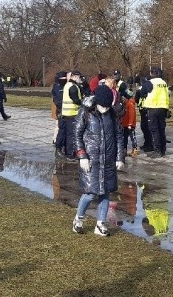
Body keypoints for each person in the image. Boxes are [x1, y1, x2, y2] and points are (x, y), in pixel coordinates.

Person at [71, 85, 125, 236]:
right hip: (91, 160)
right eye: (102, 106)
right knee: (90, 193)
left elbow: (119, 136)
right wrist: (82, 156)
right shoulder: (85, 112)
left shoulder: (112, 114)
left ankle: (100, 224)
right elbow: (77, 135)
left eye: (107, 107)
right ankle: (78, 219)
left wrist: (120, 157)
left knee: (105, 193)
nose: (105, 109)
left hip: (107, 160)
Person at [139, 66, 170, 157]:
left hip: (153, 108)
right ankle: (163, 149)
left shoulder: (150, 83)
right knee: (161, 129)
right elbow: (167, 95)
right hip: (163, 108)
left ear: (154, 73)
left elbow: (142, 93)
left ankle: (157, 150)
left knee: (154, 130)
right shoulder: (164, 83)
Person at [61, 70, 84, 160]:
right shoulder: (73, 87)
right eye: (78, 77)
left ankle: (69, 152)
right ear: (74, 76)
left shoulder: (68, 85)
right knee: (72, 135)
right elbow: (76, 100)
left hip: (67, 114)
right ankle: (70, 154)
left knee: (69, 134)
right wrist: (83, 102)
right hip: (72, 113)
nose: (79, 79)